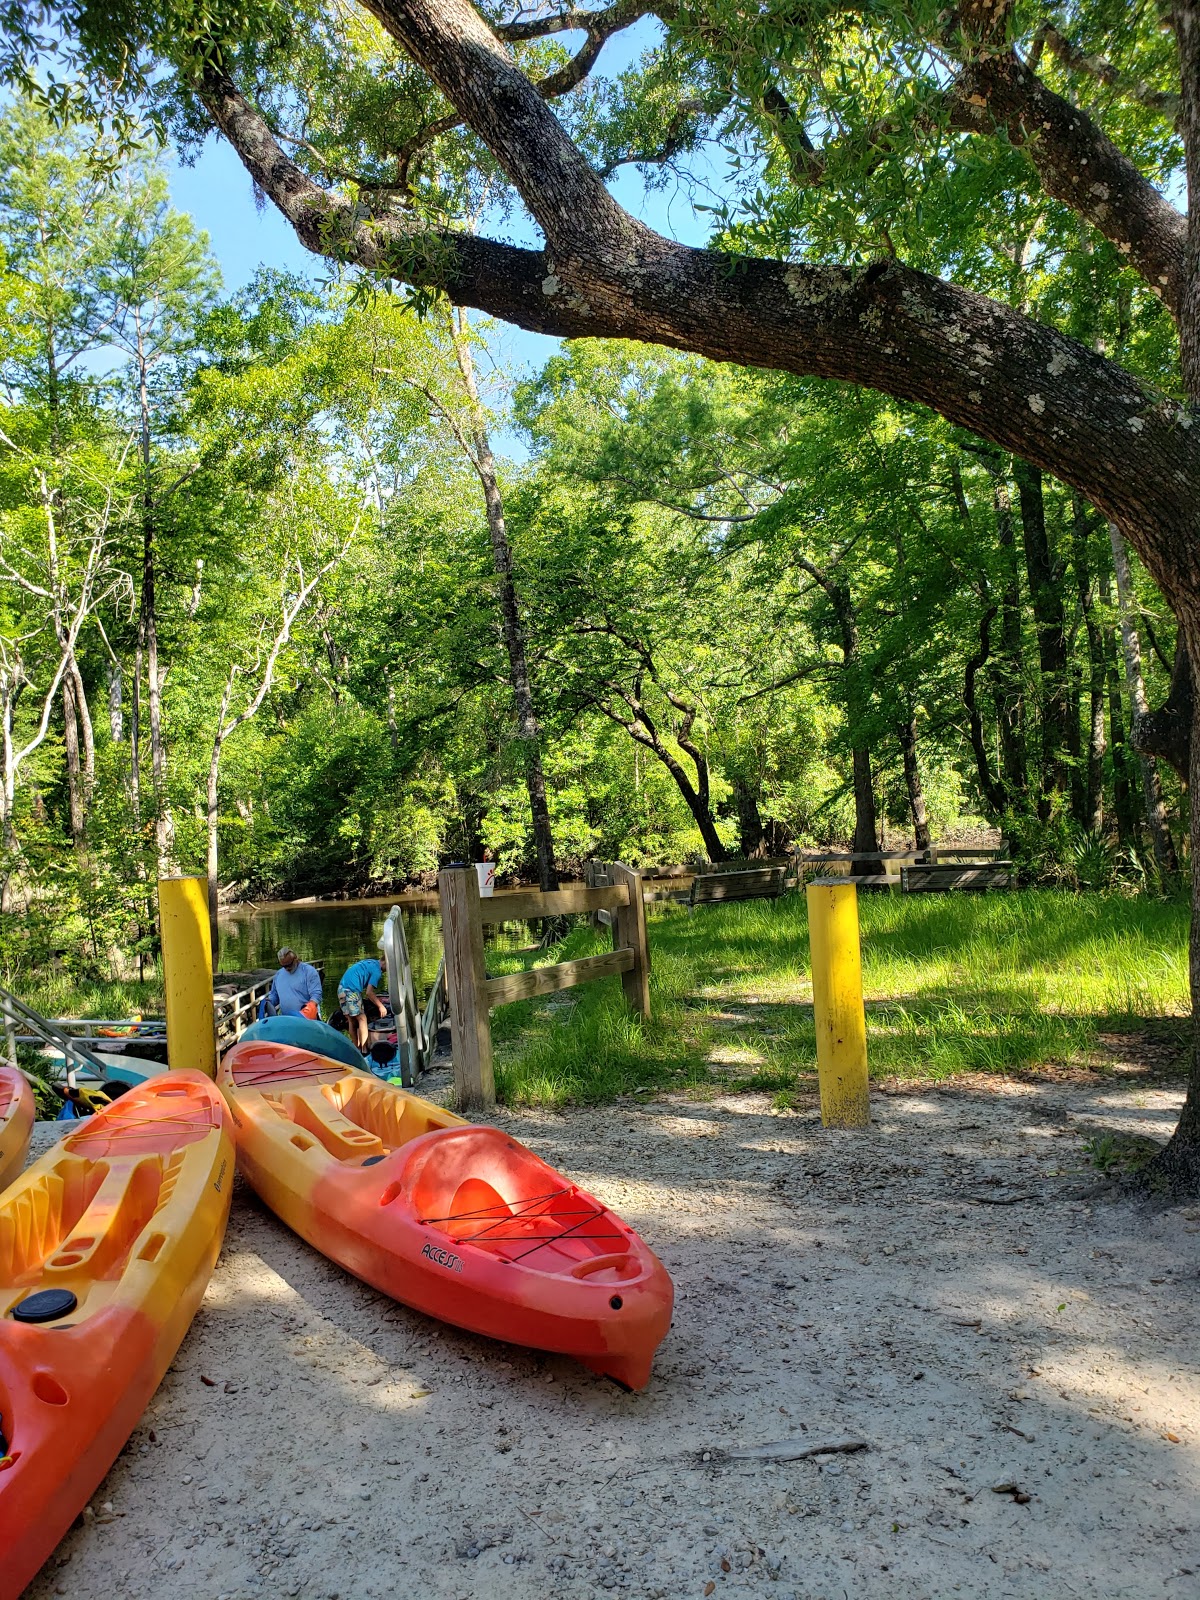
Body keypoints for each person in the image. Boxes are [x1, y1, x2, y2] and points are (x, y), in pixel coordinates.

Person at [337, 952, 388, 1053]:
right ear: (386, 962)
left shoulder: (372, 962)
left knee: (351, 1020)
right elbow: (369, 992)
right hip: (352, 991)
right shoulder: (377, 971)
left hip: (341, 989)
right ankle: (364, 1050)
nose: (388, 971)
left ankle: (357, 1049)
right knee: (362, 1019)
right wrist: (381, 1006)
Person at [264, 947, 324, 1019]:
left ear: (296, 959)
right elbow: (274, 995)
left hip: (307, 1019)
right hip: (287, 1020)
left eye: (289, 965)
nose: (287, 968)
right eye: (284, 966)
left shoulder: (309, 971)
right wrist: (269, 1001)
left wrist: (310, 1007)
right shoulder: (278, 975)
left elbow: (316, 994)